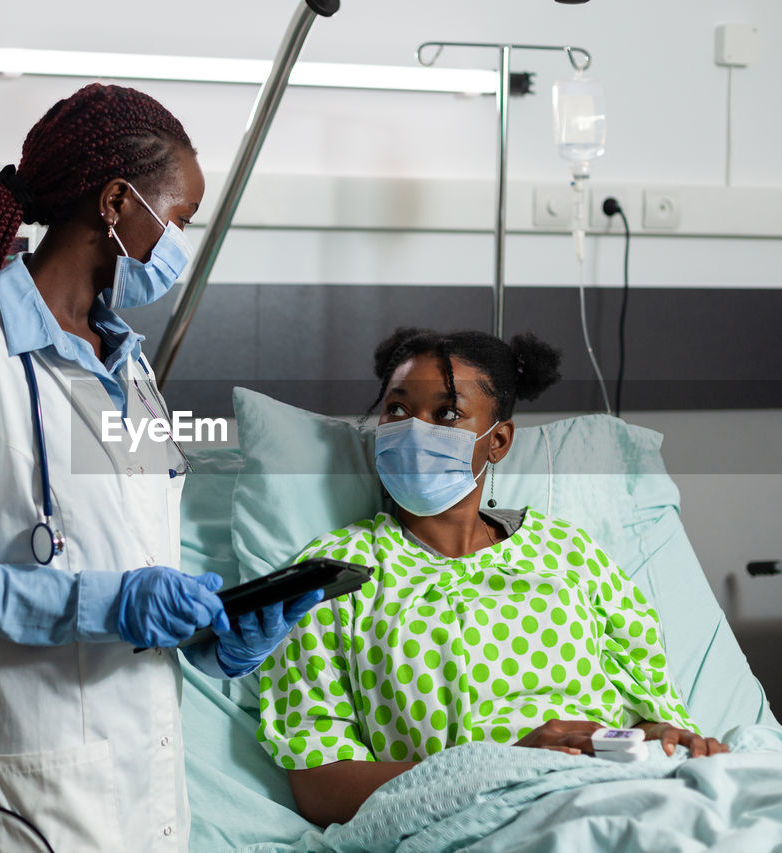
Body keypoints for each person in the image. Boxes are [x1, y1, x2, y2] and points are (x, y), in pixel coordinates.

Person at [0, 83, 319, 852]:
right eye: (179, 218)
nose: (178, 243)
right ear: (116, 203)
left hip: (138, 788)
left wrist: (214, 631)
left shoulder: (127, 370)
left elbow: (125, 562)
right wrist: (107, 605)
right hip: (16, 791)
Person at [256, 327, 726, 828]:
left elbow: (651, 709)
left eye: (447, 413)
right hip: (490, 821)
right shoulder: (333, 572)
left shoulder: (571, 553)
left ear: (497, 440)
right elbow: (320, 786)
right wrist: (503, 765)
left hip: (634, 790)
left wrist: (668, 740)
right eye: (396, 409)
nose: (414, 429)